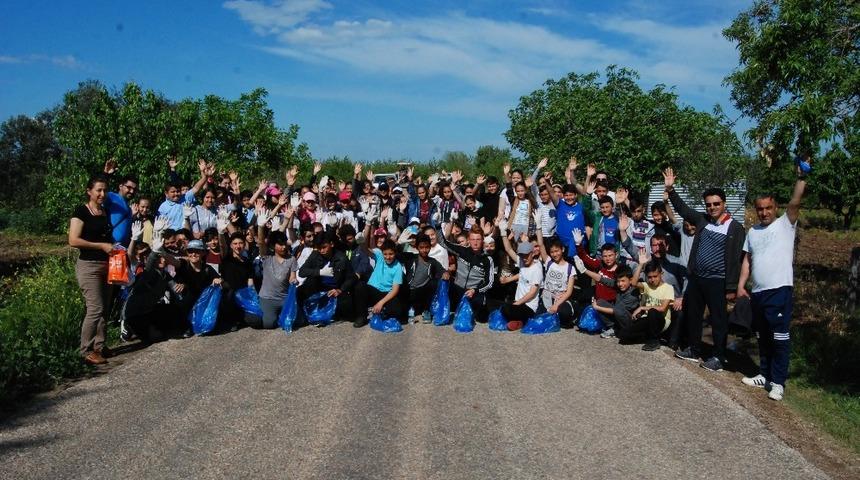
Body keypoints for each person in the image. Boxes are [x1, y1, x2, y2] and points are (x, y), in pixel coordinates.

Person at [738, 159, 809, 401]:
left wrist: (801, 177)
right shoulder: (753, 232)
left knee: (779, 339)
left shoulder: (785, 224)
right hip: (758, 292)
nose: (764, 212)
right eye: (760, 209)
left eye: (768, 208)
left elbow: (795, 202)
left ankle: (778, 382)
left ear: (775, 207)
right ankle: (764, 374)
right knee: (763, 336)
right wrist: (741, 285)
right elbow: (747, 260)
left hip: (779, 291)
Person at [664, 167, 746, 372]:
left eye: (716, 204)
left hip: (718, 281)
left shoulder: (735, 228)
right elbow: (683, 210)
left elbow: (737, 259)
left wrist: (732, 286)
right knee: (694, 315)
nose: (712, 207)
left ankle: (718, 357)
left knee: (718, 320)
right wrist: (671, 190)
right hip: (697, 278)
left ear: (724, 204)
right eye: (708, 204)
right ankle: (694, 349)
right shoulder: (703, 221)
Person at [68, 176, 115, 365]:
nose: (102, 194)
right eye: (98, 190)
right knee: (95, 308)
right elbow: (73, 240)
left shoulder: (104, 211)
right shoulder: (81, 211)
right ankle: (85, 350)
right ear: (89, 191)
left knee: (105, 308)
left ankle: (99, 346)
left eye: (104, 190)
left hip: (107, 265)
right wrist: (101, 246)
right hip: (89, 266)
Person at [299, 231, 356, 325]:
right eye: (319, 248)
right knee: (305, 285)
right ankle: (306, 315)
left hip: (335, 289)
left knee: (347, 310)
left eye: (324, 247)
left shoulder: (341, 257)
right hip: (319, 288)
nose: (321, 251)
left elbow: (351, 278)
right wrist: (319, 272)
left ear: (331, 244)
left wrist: (340, 290)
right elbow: (302, 272)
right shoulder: (315, 255)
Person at [440, 224, 495, 323]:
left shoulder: (487, 259)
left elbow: (489, 283)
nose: (475, 243)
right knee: (441, 284)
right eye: (473, 239)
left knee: (482, 319)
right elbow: (444, 243)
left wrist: (475, 290)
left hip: (473, 292)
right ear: (468, 240)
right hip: (457, 289)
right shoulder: (462, 250)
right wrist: (437, 226)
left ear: (482, 240)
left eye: (478, 239)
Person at [255, 212, 298, 329]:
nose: (283, 247)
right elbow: (261, 243)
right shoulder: (267, 257)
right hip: (268, 298)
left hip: (285, 298)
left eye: (284, 244)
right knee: (268, 324)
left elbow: (292, 276)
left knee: (293, 322)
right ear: (273, 246)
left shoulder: (291, 259)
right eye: (280, 245)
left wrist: (293, 280)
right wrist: (260, 227)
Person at [625, 257, 675, 351]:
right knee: (624, 335)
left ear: (661, 274)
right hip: (647, 319)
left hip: (661, 320)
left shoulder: (668, 288)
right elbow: (633, 283)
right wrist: (640, 264)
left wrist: (642, 308)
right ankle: (647, 335)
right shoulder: (647, 286)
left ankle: (654, 341)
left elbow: (662, 308)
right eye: (649, 277)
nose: (652, 279)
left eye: (655, 276)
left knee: (653, 311)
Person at [498, 229, 543, 331]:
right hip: (518, 302)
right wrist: (503, 232)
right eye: (522, 255)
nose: (524, 258)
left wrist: (518, 303)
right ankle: (519, 322)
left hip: (529, 306)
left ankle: (523, 320)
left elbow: (532, 293)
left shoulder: (537, 269)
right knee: (500, 306)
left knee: (506, 309)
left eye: (527, 255)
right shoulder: (522, 262)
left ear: (532, 254)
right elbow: (508, 249)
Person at [354, 237, 404, 327]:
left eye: (391, 254)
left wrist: (381, 303)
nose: (388, 257)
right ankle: (362, 316)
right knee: (360, 286)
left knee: (397, 310)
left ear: (395, 253)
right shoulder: (379, 256)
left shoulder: (398, 266)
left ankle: (378, 310)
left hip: (386, 294)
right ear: (382, 253)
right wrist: (361, 241)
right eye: (385, 254)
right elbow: (366, 249)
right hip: (373, 289)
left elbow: (395, 290)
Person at [399, 233, 446, 323]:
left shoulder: (432, 262)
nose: (424, 250)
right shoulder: (411, 257)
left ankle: (426, 310)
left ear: (430, 247)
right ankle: (410, 308)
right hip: (408, 291)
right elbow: (395, 255)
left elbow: (442, 270)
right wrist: (398, 243)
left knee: (434, 282)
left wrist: (445, 273)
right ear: (417, 248)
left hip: (422, 293)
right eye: (421, 247)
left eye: (427, 247)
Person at [590, 265, 640, 338]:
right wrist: (584, 270)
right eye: (618, 281)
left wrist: (596, 308)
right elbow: (601, 279)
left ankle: (621, 330)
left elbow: (616, 311)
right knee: (600, 302)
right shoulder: (619, 286)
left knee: (618, 310)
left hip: (630, 322)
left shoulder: (632, 294)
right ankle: (614, 328)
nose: (620, 284)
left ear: (630, 280)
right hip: (619, 316)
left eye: (623, 281)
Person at [158, 159, 209, 229]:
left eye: (178, 191)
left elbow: (196, 188)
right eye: (173, 192)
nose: (176, 194)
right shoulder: (163, 207)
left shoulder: (185, 197)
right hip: (171, 235)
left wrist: (204, 174)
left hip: (186, 233)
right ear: (166, 193)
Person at [101, 158, 138, 247]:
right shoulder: (112, 197)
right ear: (120, 186)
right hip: (110, 247)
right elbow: (100, 192)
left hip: (122, 250)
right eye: (129, 187)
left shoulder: (128, 208)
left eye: (134, 189)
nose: (132, 191)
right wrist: (106, 175)